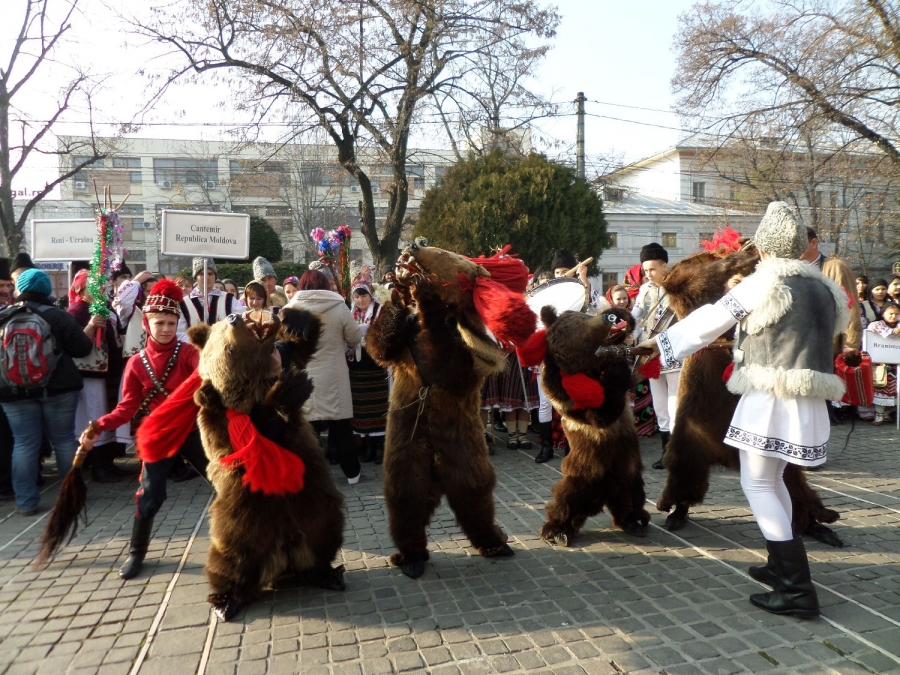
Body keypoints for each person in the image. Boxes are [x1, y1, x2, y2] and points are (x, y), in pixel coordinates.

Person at [638, 202, 849, 619]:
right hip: (808, 397)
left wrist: (659, 345)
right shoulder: (826, 287)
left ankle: (796, 589)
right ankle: (780, 568)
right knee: (774, 481)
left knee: (759, 484)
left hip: (770, 395)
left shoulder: (764, 283)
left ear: (766, 249)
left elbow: (711, 320)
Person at [78, 279, 203, 579]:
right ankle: (136, 553)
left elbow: (207, 384)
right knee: (150, 495)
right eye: (160, 323)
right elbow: (127, 408)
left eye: (172, 323)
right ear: (147, 323)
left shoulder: (188, 354)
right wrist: (99, 425)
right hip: (157, 434)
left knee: (227, 482)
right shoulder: (136, 363)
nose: (166, 329)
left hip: (190, 430)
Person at [1, 269, 94, 515]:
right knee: (64, 440)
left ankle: (25, 502)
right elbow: (82, 349)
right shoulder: (58, 316)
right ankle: (71, 498)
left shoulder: (3, 316)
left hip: (13, 392)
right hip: (59, 388)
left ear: (17, 289)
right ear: (47, 290)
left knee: (23, 443)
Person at [286, 270, 362, 483]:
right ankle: (352, 473)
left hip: (303, 377)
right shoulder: (338, 306)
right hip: (334, 375)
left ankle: (309, 476)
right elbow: (355, 336)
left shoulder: (290, 309)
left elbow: (283, 343)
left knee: (306, 431)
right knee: (341, 427)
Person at [66, 270, 126, 483]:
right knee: (93, 415)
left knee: (106, 414)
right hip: (90, 375)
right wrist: (91, 326)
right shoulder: (76, 310)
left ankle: (107, 462)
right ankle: (97, 465)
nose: (99, 290)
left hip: (109, 373)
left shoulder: (108, 310)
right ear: (80, 289)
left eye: (101, 286)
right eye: (93, 286)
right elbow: (73, 343)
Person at [632, 242, 681, 469]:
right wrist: (626, 331)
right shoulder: (644, 290)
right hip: (649, 352)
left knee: (675, 404)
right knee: (660, 405)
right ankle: (666, 452)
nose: (648, 274)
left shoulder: (678, 288)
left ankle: (679, 452)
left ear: (664, 266)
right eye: (645, 270)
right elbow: (636, 315)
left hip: (674, 352)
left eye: (652, 269)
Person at [347, 282, 389, 463]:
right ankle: (367, 447)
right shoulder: (351, 313)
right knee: (362, 409)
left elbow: (383, 334)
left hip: (375, 366)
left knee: (378, 407)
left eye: (364, 296)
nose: (360, 300)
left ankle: (379, 447)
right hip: (357, 368)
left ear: (371, 296)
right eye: (357, 296)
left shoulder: (380, 312)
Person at [179, 258, 245, 338]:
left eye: (210, 274)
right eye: (202, 274)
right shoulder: (184, 302)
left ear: (215, 276)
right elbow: (180, 333)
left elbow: (241, 323)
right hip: (194, 349)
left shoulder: (228, 299)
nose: (206, 277)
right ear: (196, 276)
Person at [866, 302, 900, 426]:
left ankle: (889, 414)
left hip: (897, 363)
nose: (893, 316)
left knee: (896, 390)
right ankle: (879, 415)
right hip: (882, 364)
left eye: (896, 314)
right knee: (882, 388)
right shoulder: (877, 324)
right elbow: (873, 331)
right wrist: (892, 332)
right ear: (883, 313)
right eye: (891, 313)